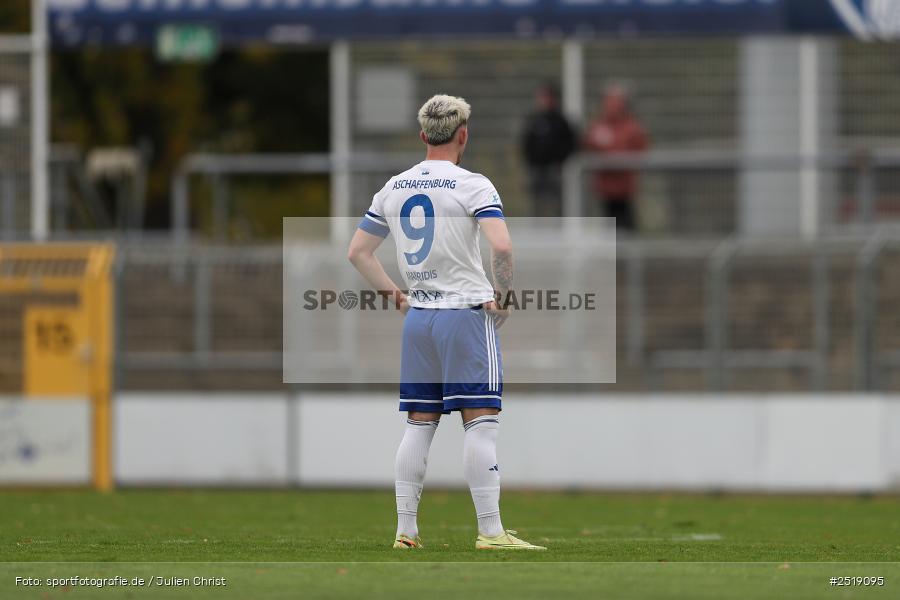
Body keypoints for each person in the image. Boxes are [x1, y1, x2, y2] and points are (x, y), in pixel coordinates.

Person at [347, 94, 545, 551]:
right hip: (464, 315)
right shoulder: (473, 185)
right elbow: (502, 246)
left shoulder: (394, 186)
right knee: (481, 423)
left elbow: (357, 251)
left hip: (419, 318)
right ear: (463, 135)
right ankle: (491, 532)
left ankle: (406, 532)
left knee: (419, 424)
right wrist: (506, 297)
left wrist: (394, 294)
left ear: (422, 137)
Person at [583, 86, 648, 231]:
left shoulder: (632, 127)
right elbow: (589, 146)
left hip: (625, 189)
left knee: (626, 226)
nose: (611, 106)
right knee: (607, 229)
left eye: (615, 101)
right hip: (605, 189)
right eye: (609, 101)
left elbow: (640, 148)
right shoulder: (598, 126)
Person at [521, 84, 576, 217]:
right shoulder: (534, 120)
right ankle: (537, 228)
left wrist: (559, 160)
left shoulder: (561, 121)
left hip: (554, 170)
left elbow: (571, 144)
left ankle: (559, 227)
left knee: (557, 202)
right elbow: (526, 143)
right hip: (536, 169)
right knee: (536, 203)